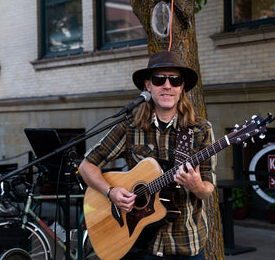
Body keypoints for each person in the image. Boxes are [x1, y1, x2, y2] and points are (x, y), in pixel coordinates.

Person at [79, 50, 216, 260]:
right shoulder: (129, 127)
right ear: (148, 85)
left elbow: (207, 189)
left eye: (175, 80)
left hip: (186, 243)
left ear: (182, 88)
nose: (167, 85)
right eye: (159, 79)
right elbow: (86, 166)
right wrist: (111, 192)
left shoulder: (200, 130)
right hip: (141, 245)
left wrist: (197, 186)